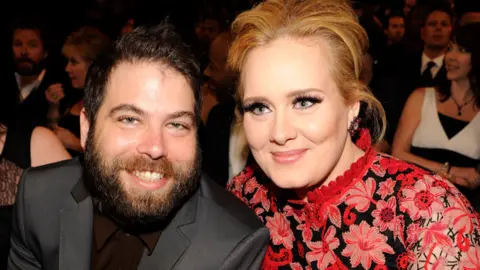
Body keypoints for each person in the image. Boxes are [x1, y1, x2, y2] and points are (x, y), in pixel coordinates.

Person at [226, 0, 480, 268]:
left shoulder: (429, 212)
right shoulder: (243, 197)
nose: (279, 133)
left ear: (351, 104)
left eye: (304, 102)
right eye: (259, 107)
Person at [8, 20, 268, 270]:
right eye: (130, 119)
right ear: (87, 128)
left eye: (176, 125)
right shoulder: (39, 197)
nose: (155, 148)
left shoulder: (232, 243)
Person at [392, 23, 480, 210]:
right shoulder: (422, 97)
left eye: (462, 50)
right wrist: (449, 171)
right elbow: (397, 154)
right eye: (450, 49)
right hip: (410, 204)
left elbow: (475, 177)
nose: (450, 57)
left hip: (462, 213)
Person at [45, 26, 111, 155]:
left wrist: (75, 143)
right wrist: (53, 108)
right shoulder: (76, 96)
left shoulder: (106, 103)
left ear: (93, 65)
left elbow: (108, 157)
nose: (67, 68)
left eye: (74, 62)